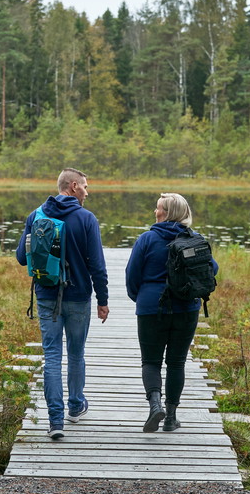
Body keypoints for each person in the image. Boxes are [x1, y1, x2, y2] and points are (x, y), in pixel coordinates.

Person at [16, 168, 109, 440]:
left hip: (46, 296)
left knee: (52, 356)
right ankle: (76, 406)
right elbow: (98, 267)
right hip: (79, 297)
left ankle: (55, 421)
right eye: (85, 187)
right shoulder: (86, 219)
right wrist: (102, 300)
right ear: (72, 186)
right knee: (76, 353)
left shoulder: (36, 215)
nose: (87, 192)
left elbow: (22, 258)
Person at [125, 193, 218, 433]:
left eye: (159, 209)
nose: (155, 212)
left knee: (150, 361)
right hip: (186, 307)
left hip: (151, 308)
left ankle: (155, 405)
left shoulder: (146, 239)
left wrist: (142, 299)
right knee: (176, 363)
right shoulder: (196, 240)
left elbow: (131, 275)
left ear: (168, 213)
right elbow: (211, 269)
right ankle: (171, 418)